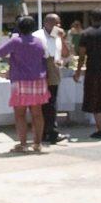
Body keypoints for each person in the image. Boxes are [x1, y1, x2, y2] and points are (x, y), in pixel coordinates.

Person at [0, 15, 50, 153]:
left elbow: (0, 52)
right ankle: (37, 143)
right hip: (38, 80)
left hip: (20, 80)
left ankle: (23, 144)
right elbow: (44, 57)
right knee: (37, 113)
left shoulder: (15, 41)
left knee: (20, 114)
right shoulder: (39, 41)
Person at [75, 8, 101, 139]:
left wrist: (77, 72)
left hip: (92, 69)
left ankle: (99, 128)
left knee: (94, 99)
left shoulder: (86, 34)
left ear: (91, 18)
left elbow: (82, 56)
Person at [35, 13, 70, 144]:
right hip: (42, 69)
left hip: (55, 70)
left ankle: (49, 131)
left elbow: (66, 54)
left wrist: (63, 39)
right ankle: (49, 131)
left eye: (59, 23)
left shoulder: (57, 37)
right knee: (46, 104)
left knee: (51, 102)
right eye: (56, 23)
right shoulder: (38, 35)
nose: (59, 26)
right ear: (47, 23)